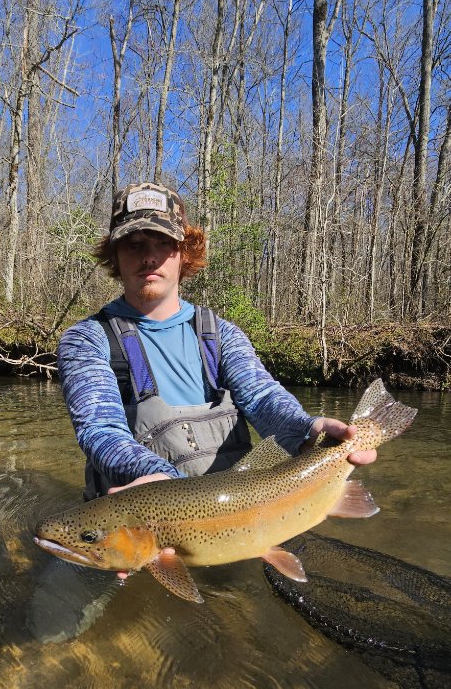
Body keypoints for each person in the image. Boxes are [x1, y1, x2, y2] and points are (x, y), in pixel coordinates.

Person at [58, 180, 376, 506]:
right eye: (134, 244)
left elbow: (262, 398)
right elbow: (100, 430)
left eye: (163, 242)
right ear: (115, 254)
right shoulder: (86, 340)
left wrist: (306, 430)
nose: (150, 258)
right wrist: (162, 483)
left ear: (184, 253)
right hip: (139, 514)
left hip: (235, 508)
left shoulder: (221, 335)